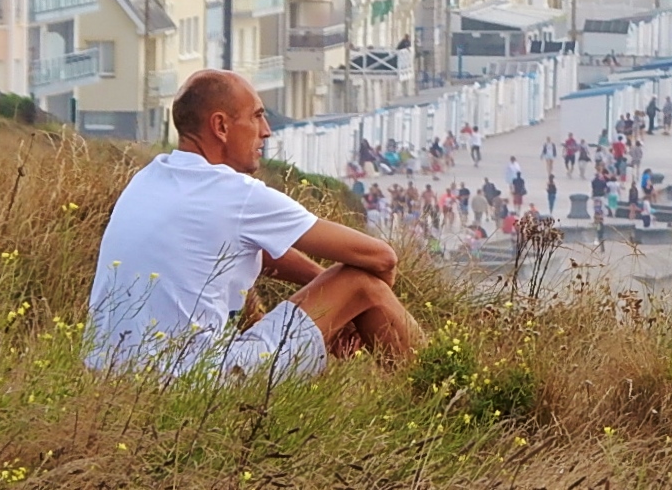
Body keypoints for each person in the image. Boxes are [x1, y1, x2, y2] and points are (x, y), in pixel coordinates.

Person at [85, 70, 422, 380]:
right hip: (195, 384)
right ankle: (441, 394)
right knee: (363, 284)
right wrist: (347, 304)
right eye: (257, 116)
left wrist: (327, 292)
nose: (267, 131)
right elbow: (382, 258)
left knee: (346, 287)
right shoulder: (236, 195)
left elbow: (257, 253)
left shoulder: (147, 180)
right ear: (221, 127)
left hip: (109, 381)